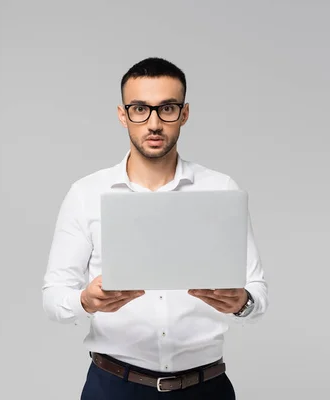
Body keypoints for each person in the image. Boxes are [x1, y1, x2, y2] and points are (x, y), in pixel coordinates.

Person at [41, 57, 268, 399]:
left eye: (167, 109)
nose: (154, 123)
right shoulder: (86, 194)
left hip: (206, 389)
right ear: (123, 115)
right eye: (140, 109)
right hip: (113, 387)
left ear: (185, 113)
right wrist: (86, 301)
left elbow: (257, 290)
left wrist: (242, 302)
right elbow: (53, 297)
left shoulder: (221, 189)